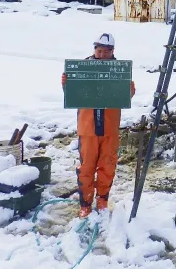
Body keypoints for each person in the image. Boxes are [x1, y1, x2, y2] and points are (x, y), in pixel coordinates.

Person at [62, 33, 135, 218]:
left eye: (107, 51)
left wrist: (129, 90)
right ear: (94, 49)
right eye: (99, 50)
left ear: (112, 52)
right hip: (88, 128)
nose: (102, 55)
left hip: (109, 128)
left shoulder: (119, 71)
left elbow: (124, 97)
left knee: (107, 165)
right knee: (86, 167)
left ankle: (102, 199)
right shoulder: (81, 69)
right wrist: (67, 84)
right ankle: (85, 202)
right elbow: (73, 94)